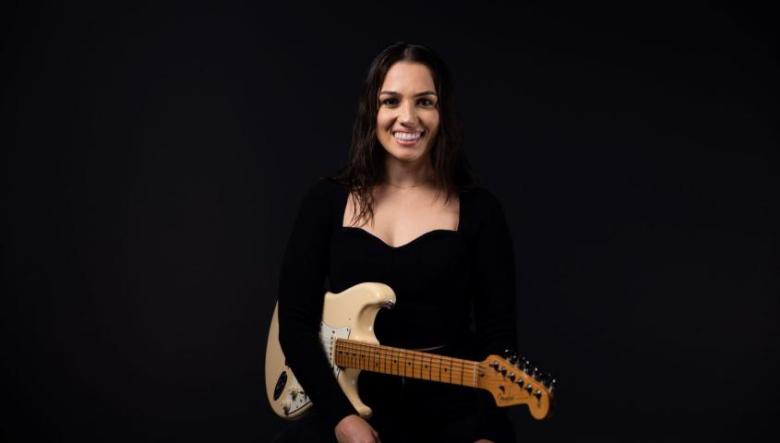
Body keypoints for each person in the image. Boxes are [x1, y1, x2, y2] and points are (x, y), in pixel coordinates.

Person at [274, 41, 519, 443]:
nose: (408, 118)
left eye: (425, 101)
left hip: (453, 407)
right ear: (373, 110)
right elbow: (295, 324)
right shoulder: (326, 201)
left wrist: (488, 430)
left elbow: (499, 338)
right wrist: (343, 419)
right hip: (348, 399)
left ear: (444, 114)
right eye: (391, 101)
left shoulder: (480, 211)